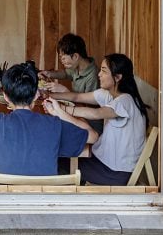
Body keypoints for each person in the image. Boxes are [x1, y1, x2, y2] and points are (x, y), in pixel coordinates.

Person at [0, 62, 92, 176]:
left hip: (7, 200)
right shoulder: (54, 125)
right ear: (36, 95)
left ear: (6, 97)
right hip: (43, 200)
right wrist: (61, 113)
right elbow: (93, 136)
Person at [49, 53, 148, 185]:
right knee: (64, 157)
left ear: (118, 77)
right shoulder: (109, 94)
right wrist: (49, 95)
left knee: (57, 160)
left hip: (114, 172)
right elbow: (77, 97)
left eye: (104, 71)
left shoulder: (126, 100)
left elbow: (96, 113)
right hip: (105, 163)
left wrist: (62, 110)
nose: (99, 74)